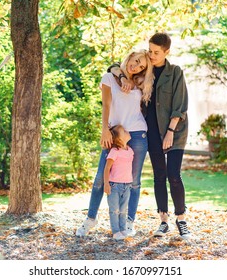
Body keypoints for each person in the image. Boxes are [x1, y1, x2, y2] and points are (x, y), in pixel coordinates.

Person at [109, 33, 192, 240]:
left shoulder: (175, 73)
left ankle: (181, 219)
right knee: (159, 176)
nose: (152, 55)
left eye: (157, 52)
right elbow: (113, 66)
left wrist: (171, 132)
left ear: (166, 52)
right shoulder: (144, 71)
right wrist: (120, 76)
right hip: (152, 132)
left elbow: (180, 105)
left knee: (173, 175)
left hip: (175, 131)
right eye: (150, 50)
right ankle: (163, 220)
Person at [76, 50, 154, 237]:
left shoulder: (140, 83)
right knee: (100, 179)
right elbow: (106, 105)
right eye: (135, 61)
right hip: (114, 133)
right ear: (130, 55)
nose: (136, 67)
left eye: (141, 66)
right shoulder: (109, 78)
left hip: (136, 135)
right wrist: (104, 129)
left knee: (133, 182)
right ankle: (91, 218)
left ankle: (129, 222)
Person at [104, 125, 134, 240]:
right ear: (119, 139)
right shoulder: (114, 151)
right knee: (114, 210)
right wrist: (106, 184)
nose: (127, 131)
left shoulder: (130, 151)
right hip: (114, 186)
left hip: (127, 185)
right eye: (124, 131)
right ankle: (116, 231)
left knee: (123, 210)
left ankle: (123, 229)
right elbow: (107, 168)